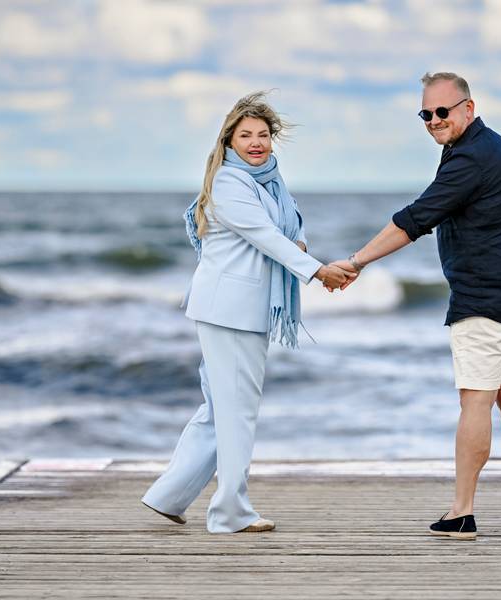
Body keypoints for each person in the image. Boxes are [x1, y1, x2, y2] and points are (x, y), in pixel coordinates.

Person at [333, 72, 501, 540]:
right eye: (426, 114)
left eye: (443, 112)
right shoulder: (491, 147)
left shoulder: (470, 157)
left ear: (469, 108)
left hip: (485, 300)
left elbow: (416, 218)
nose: (434, 121)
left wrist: (356, 261)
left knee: (476, 402)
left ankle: (462, 512)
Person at [141, 92, 352, 534]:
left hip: (235, 308)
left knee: (220, 409)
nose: (256, 143)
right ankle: (229, 511)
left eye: (262, 135)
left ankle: (169, 495)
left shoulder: (270, 183)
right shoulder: (230, 183)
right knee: (237, 412)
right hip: (230, 310)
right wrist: (318, 272)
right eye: (246, 135)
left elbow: (290, 226)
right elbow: (265, 235)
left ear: (272, 140)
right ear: (229, 141)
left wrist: (302, 246)